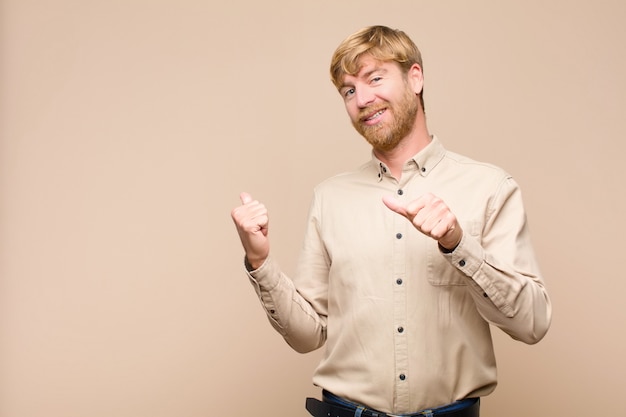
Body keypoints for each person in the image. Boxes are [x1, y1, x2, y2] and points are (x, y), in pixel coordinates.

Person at [231, 25, 551, 417]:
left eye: (374, 78)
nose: (362, 99)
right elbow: (308, 334)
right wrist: (260, 261)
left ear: (415, 78)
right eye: (348, 90)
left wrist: (458, 245)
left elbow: (532, 323)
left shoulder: (490, 187)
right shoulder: (330, 197)